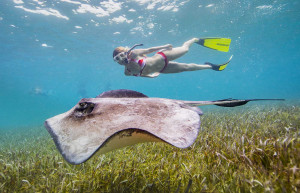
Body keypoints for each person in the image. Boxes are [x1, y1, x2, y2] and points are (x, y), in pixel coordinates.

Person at [113, 38, 232, 78]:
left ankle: (195, 39)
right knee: (187, 67)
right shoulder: (127, 72)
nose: (122, 60)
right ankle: (211, 66)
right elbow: (142, 75)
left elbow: (150, 50)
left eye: (122, 55)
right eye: (118, 59)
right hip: (163, 69)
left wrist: (164, 46)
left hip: (162, 56)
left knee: (185, 49)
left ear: (127, 52)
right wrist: (150, 76)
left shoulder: (134, 53)